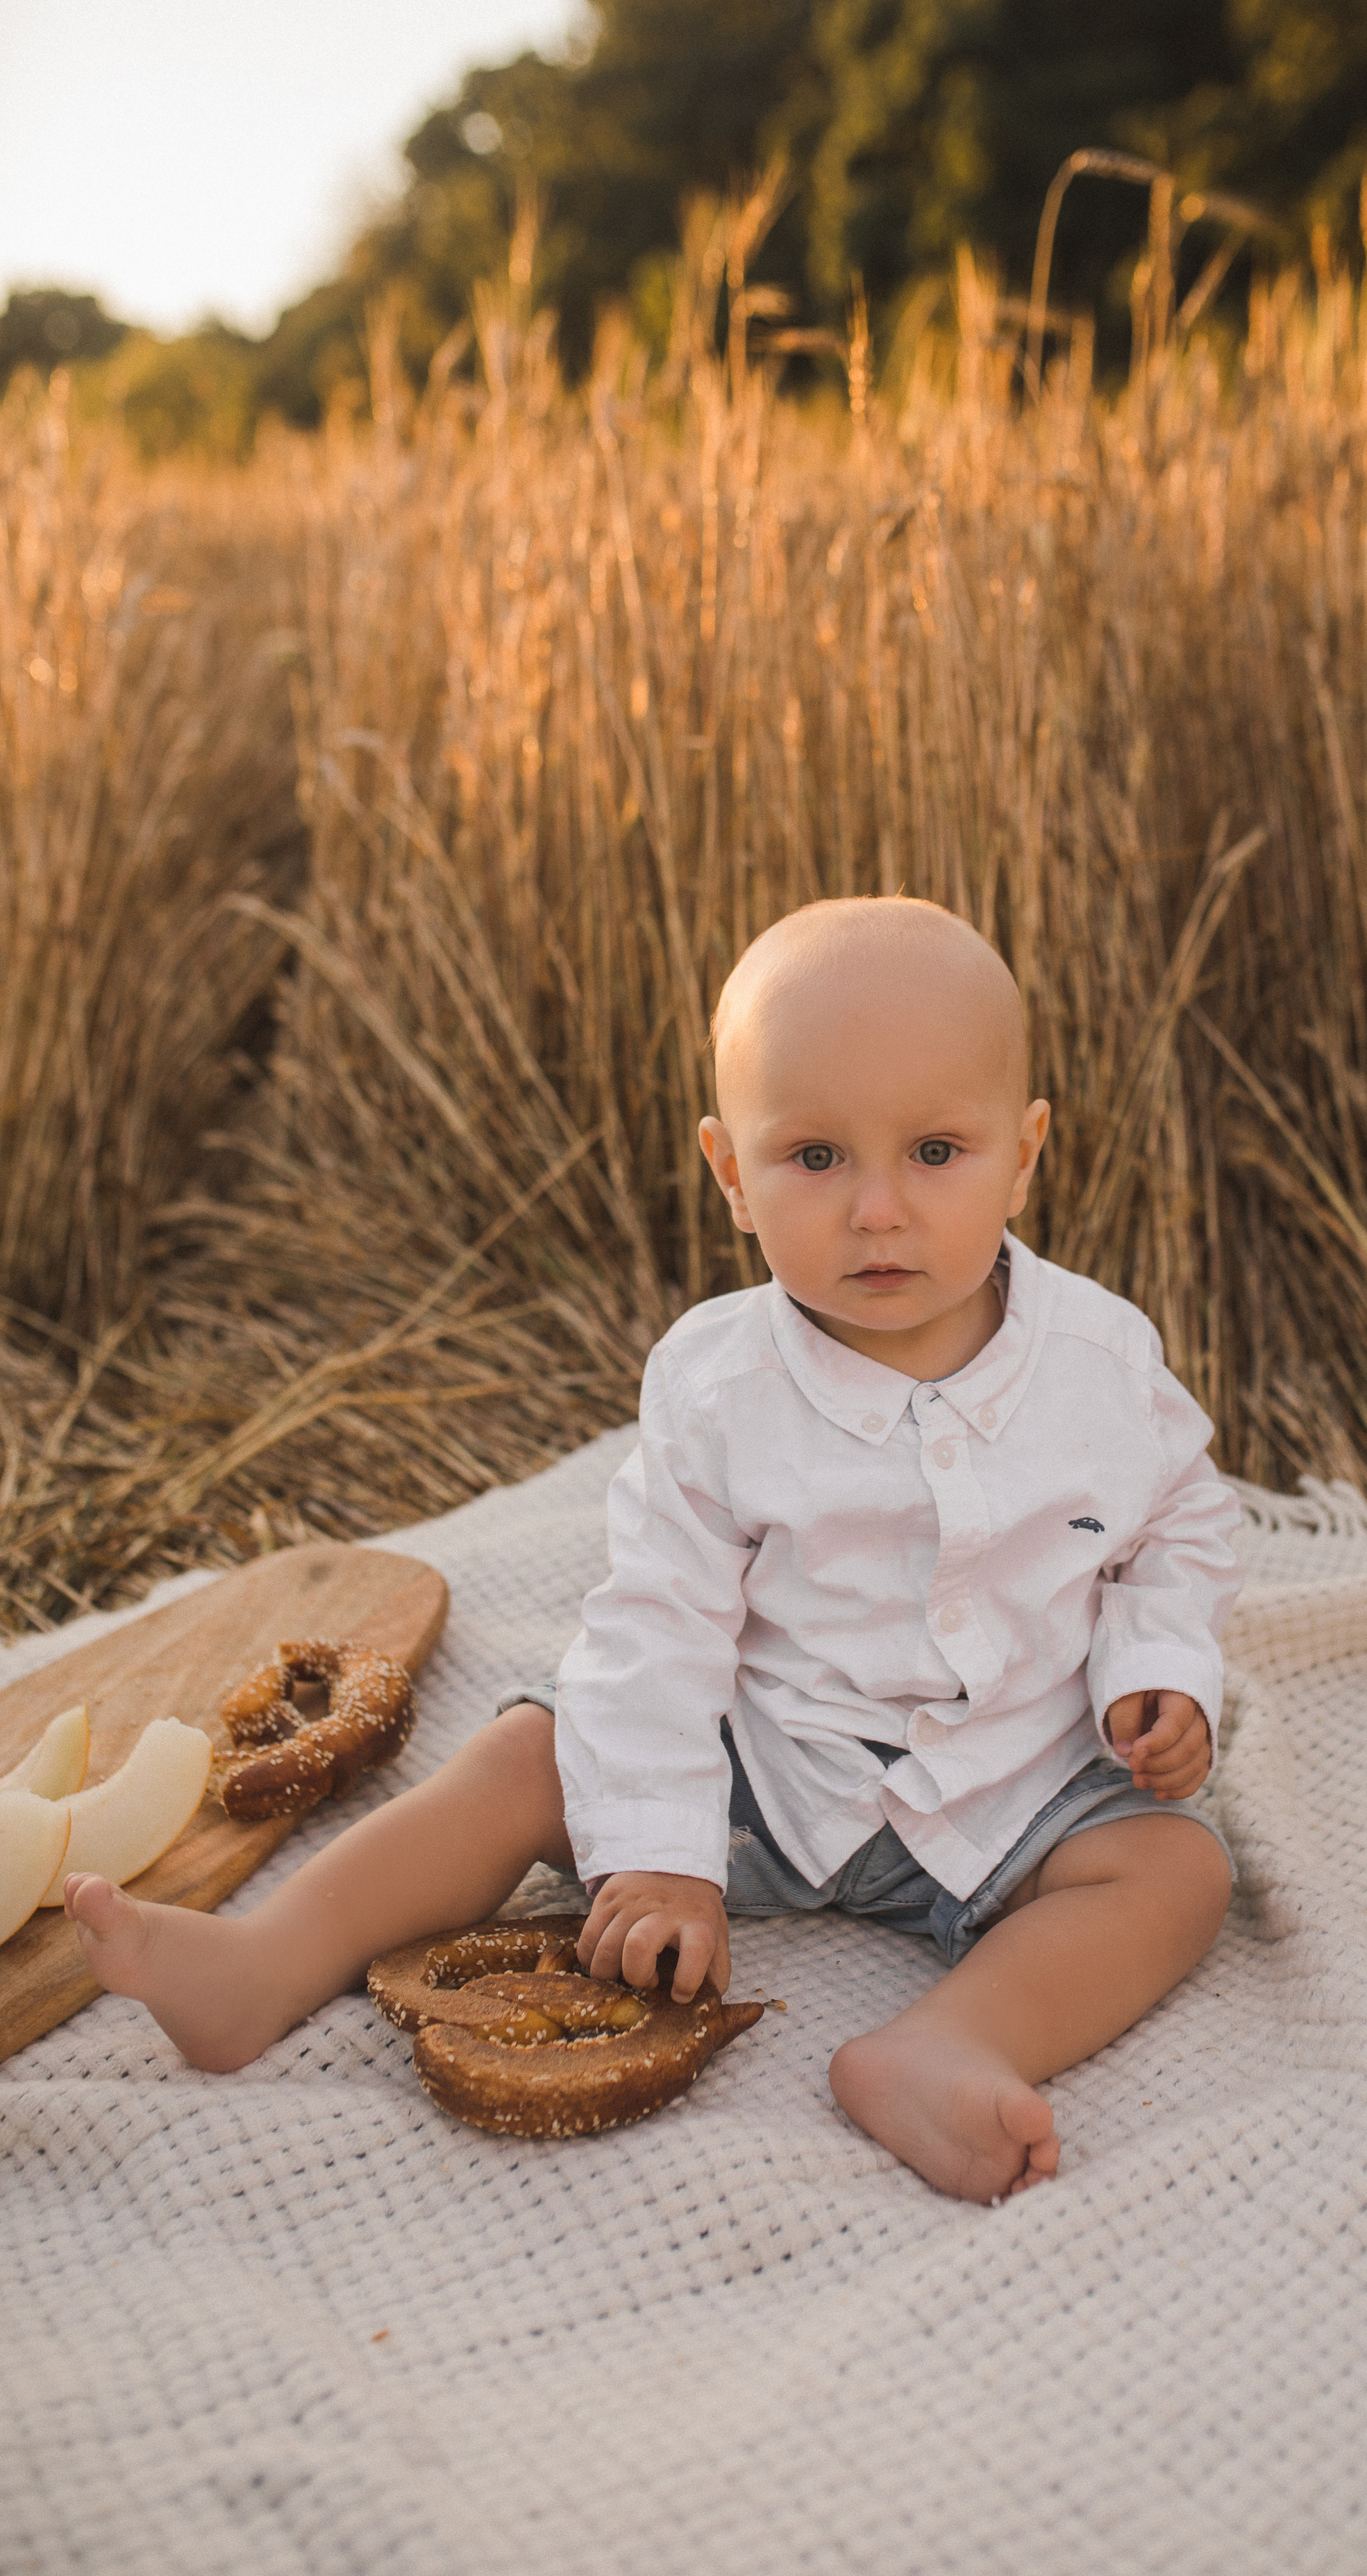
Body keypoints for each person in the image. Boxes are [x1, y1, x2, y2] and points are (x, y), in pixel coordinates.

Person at [66, 896, 1242, 2203]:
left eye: (934, 1150)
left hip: (1009, 1780)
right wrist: (660, 1854)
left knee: (1176, 1869)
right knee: (526, 1751)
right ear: (730, 1174)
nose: (878, 1211)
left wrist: (1160, 1666)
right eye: (813, 1159)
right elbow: (658, 1628)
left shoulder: (1099, 1363)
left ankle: (947, 2044)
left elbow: (1180, 1522)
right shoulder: (717, 1385)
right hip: (760, 1764)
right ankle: (262, 1965)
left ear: (1023, 1158)